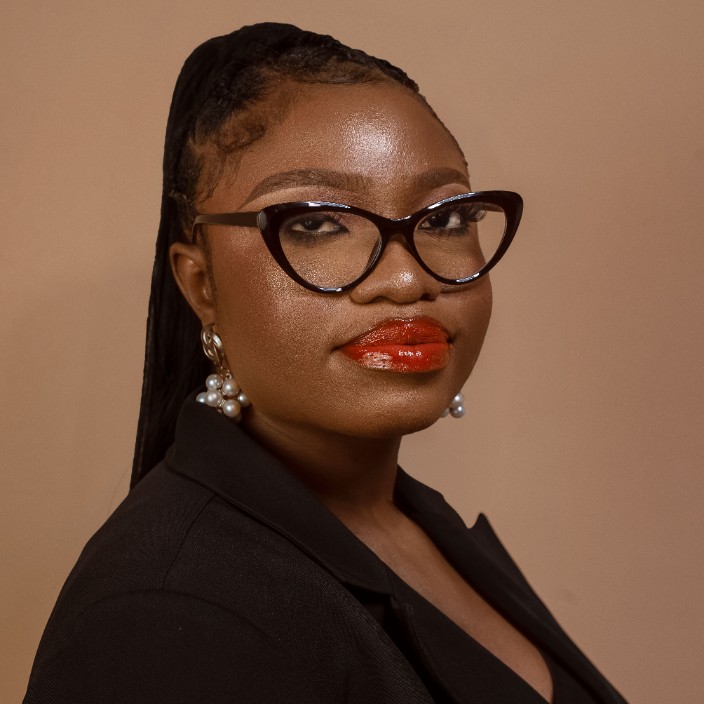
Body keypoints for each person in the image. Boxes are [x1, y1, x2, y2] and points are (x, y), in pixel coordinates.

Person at [24, 23, 628, 704]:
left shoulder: (412, 522)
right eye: (316, 224)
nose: (408, 280)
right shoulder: (164, 618)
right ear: (201, 285)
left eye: (444, 218)